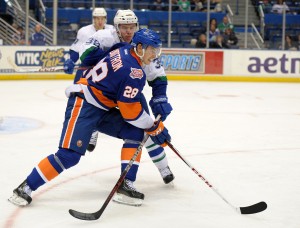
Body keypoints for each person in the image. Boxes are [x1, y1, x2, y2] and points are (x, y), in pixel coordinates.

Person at [8, 28, 172, 208]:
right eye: (153, 50)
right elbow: (130, 113)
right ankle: (25, 188)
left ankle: (125, 185)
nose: (155, 54)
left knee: (135, 132)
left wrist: (151, 121)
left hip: (102, 106)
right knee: (69, 156)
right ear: (140, 47)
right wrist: (154, 126)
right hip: (84, 104)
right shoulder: (133, 71)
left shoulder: (125, 50)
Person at [64, 10, 175, 204]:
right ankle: (93, 130)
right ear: (116, 27)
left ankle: (163, 167)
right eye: (124, 27)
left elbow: (157, 76)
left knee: (145, 130)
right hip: (104, 89)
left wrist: (160, 98)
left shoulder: (142, 46)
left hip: (129, 90)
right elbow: (85, 54)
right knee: (130, 123)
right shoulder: (104, 36)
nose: (128, 31)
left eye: (132, 26)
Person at [63, 7, 114, 77]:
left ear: (105, 19)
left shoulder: (112, 30)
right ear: (93, 19)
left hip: (107, 66)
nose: (100, 21)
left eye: (102, 18)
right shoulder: (84, 31)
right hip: (88, 66)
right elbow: (77, 49)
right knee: (77, 85)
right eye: (97, 18)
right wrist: (71, 61)